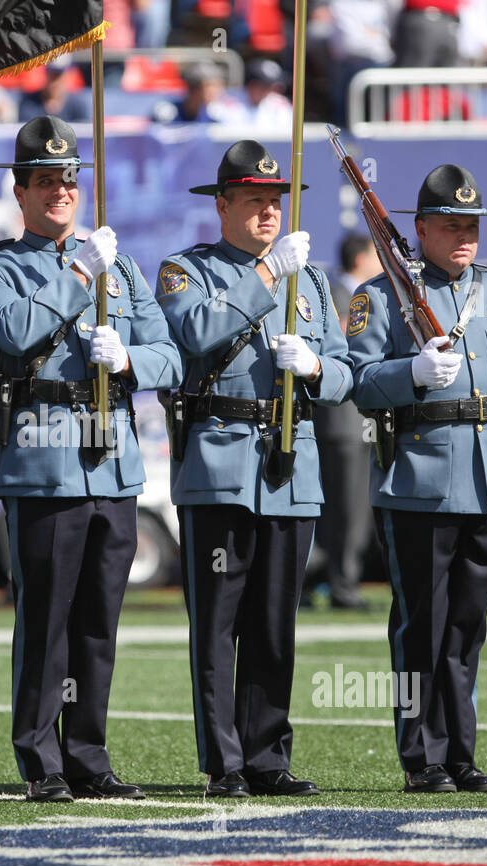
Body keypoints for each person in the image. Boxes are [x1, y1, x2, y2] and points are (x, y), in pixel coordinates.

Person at [0, 115, 182, 802]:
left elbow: (170, 353)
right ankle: (40, 757)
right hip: (44, 459)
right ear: (21, 191)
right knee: (47, 620)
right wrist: (74, 272)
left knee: (98, 624)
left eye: (69, 180)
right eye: (46, 181)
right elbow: (13, 329)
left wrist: (127, 357)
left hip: (112, 460)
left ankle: (88, 754)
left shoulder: (117, 265)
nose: (61, 191)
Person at [157, 141, 349, 798]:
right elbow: (199, 334)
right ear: (223, 205)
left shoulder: (313, 280)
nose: (268, 212)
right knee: (217, 624)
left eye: (275, 200)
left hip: (289, 464)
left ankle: (267, 755)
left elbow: (345, 370)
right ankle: (224, 761)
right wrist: (267, 280)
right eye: (254, 199)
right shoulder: (186, 271)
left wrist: (317, 368)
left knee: (275, 622)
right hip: (219, 459)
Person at [345, 164, 487, 793]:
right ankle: (421, 757)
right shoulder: (380, 297)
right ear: (421, 229)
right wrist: (411, 373)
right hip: (419, 481)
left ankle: (461, 753)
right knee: (420, 625)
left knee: (467, 626)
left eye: (473, 226)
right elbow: (356, 382)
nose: (465, 237)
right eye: (451, 226)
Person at [320, 233, 381, 610]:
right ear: (360, 259)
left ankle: (335, 580)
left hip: (348, 424)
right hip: (341, 423)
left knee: (348, 511)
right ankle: (343, 586)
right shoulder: (339, 296)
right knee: (346, 512)